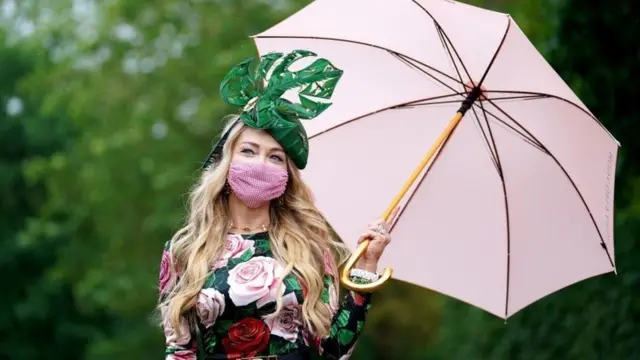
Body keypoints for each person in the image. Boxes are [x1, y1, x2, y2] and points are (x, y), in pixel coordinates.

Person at [157, 50, 396, 360]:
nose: (261, 163)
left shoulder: (310, 248)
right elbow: (179, 352)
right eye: (248, 151)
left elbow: (335, 350)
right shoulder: (185, 251)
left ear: (286, 175)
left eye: (275, 157)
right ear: (225, 164)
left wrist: (366, 269)